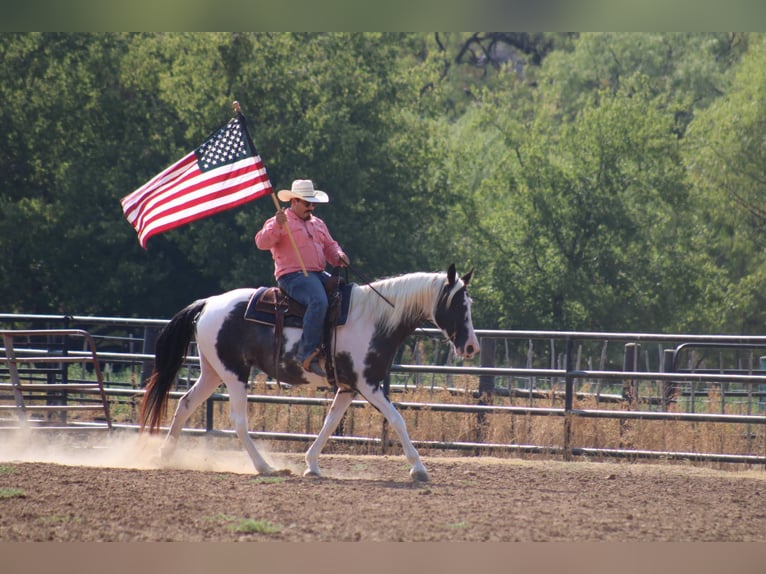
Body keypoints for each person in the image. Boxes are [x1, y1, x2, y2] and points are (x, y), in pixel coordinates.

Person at [255, 179, 350, 378]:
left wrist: (339, 255)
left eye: (313, 203)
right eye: (307, 203)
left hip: (316, 273)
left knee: (347, 293)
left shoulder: (318, 224)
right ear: (294, 201)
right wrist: (276, 226)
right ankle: (306, 353)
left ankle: (336, 347)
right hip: (292, 276)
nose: (311, 207)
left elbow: (330, 246)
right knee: (318, 300)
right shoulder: (280, 221)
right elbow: (262, 243)